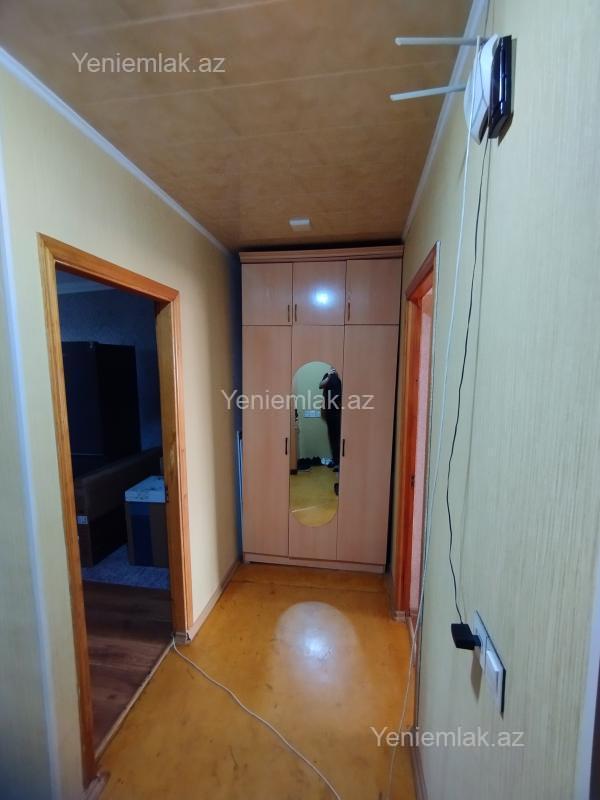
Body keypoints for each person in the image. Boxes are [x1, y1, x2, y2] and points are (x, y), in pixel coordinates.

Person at [319, 368, 342, 469]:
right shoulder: (328, 375)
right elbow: (320, 385)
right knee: (333, 437)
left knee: (341, 437)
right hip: (329, 411)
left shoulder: (342, 375)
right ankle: (336, 460)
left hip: (340, 411)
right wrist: (328, 375)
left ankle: (341, 462)